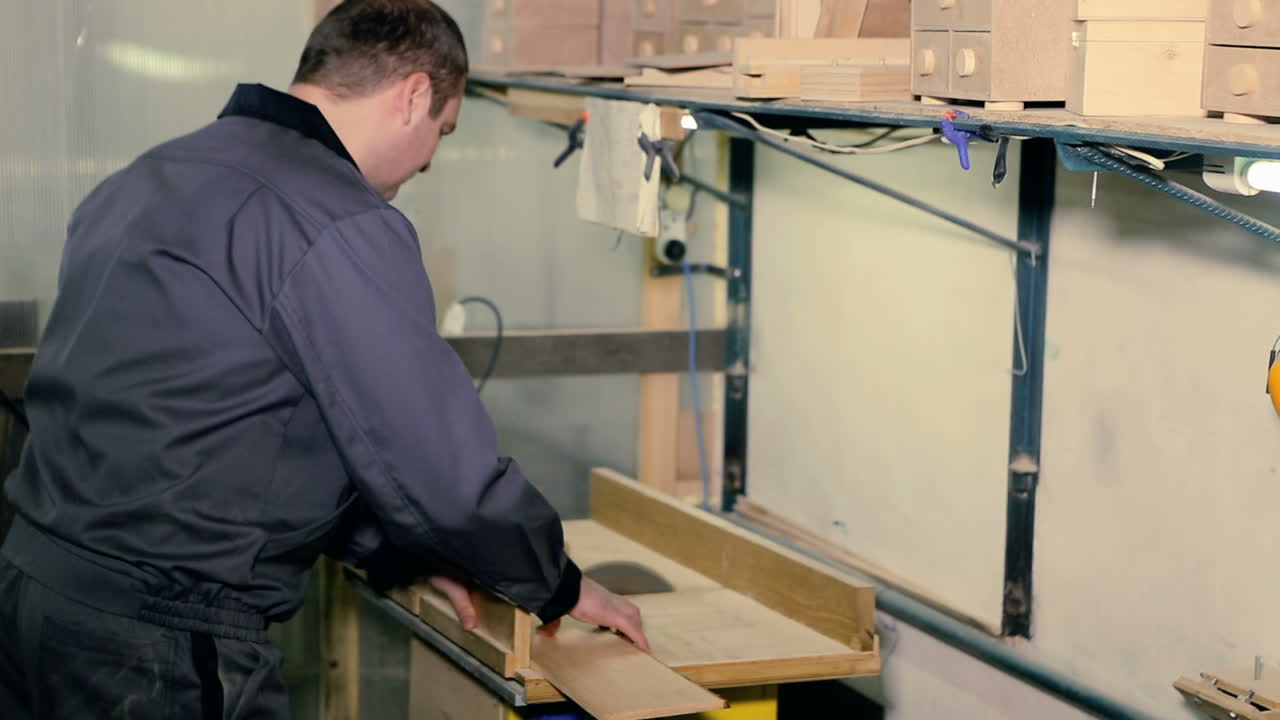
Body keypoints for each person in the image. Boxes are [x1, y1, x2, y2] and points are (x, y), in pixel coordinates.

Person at [0, 1, 648, 718]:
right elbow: (441, 474)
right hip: (157, 651)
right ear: (414, 96)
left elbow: (225, 433)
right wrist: (554, 581)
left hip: (31, 594)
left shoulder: (148, 177)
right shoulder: (337, 218)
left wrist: (401, 552)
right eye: (445, 128)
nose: (432, 159)